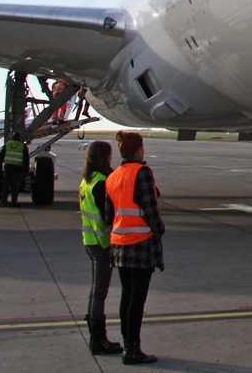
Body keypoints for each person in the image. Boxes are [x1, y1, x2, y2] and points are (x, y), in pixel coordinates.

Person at [104, 131, 164, 365]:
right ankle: (133, 349)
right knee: (137, 299)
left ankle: (127, 343)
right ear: (138, 150)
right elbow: (149, 208)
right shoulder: (142, 172)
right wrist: (159, 228)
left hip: (119, 244)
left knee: (127, 296)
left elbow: (109, 214)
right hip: (140, 245)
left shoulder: (113, 176)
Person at [80, 141, 123, 356]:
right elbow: (108, 214)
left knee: (95, 293)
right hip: (102, 243)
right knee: (100, 293)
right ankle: (98, 340)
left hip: (90, 241)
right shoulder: (100, 182)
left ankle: (96, 337)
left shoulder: (87, 180)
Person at [0, 131, 29, 207]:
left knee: (6, 186)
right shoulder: (22, 146)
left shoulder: (7, 144)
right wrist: (26, 170)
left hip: (8, 167)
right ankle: (13, 203)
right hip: (17, 168)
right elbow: (26, 159)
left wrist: (5, 161)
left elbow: (1, 155)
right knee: (15, 186)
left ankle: (4, 202)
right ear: (19, 138)